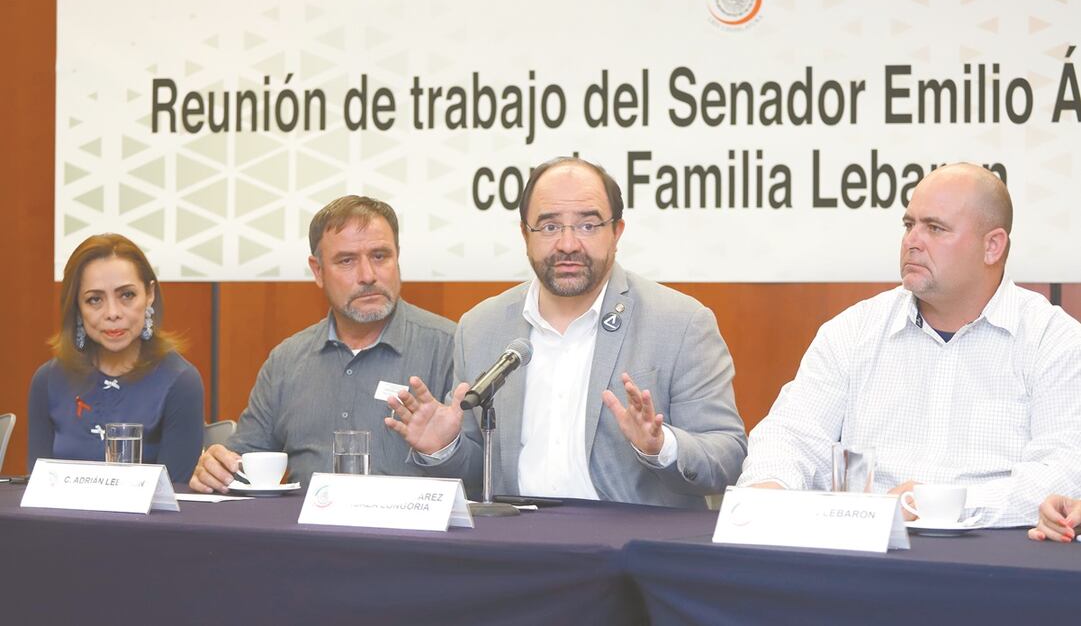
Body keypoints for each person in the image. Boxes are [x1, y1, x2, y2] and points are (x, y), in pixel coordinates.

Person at [386, 156, 747, 508]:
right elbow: (481, 475)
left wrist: (662, 446)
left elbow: (727, 456)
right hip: (516, 546)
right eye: (549, 226)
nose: (568, 244)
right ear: (525, 234)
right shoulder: (481, 327)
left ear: (616, 232)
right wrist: (443, 447)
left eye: (588, 225)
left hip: (629, 552)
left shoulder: (680, 322)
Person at [737, 163, 1081, 527]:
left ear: (992, 246)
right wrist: (769, 487)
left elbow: (1062, 474)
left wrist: (934, 504)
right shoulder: (855, 330)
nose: (912, 241)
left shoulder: (1053, 340)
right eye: (908, 225)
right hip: (865, 555)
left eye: (935, 228)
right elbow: (790, 434)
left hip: (992, 560)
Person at [189, 196, 455, 493]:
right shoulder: (287, 360)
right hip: (305, 535)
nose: (368, 276)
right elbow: (243, 462)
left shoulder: (449, 347)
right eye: (347, 261)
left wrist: (442, 450)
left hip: (409, 535)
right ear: (318, 271)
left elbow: (485, 472)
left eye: (380, 256)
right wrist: (217, 467)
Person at [28, 234, 204, 481]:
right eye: (95, 300)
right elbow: (36, 492)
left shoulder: (181, 381)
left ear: (149, 294)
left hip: (149, 521)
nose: (112, 313)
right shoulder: (47, 380)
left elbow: (178, 502)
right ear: (77, 307)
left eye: (127, 295)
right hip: (62, 520)